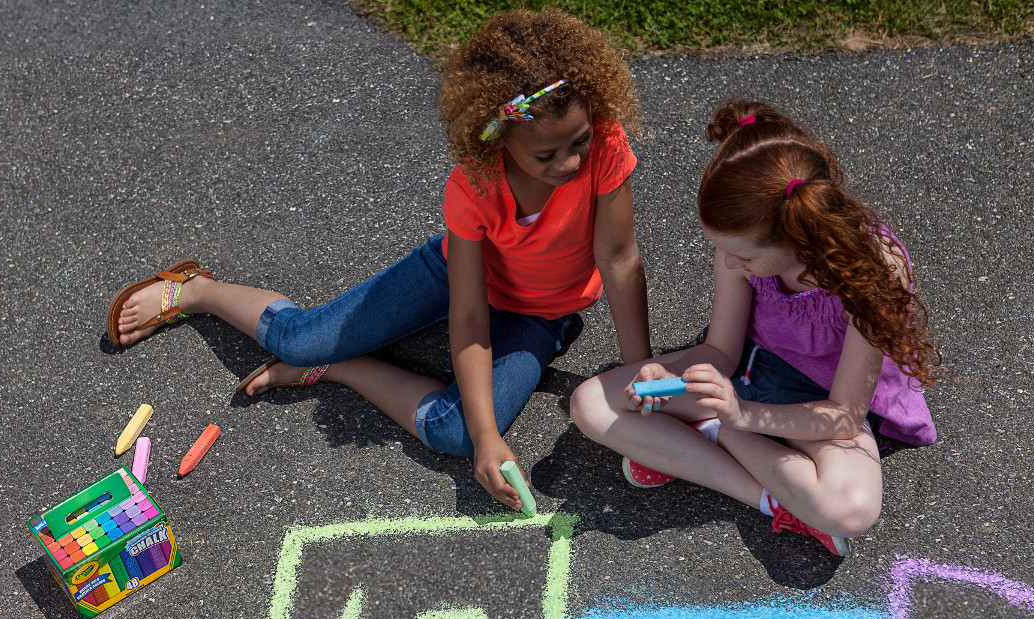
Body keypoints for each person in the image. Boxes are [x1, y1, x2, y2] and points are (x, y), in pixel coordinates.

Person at [105, 10, 652, 512]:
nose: (571, 162)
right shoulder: (476, 185)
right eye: (547, 154)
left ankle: (345, 366)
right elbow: (468, 316)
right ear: (498, 138)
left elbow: (619, 258)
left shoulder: (604, 144)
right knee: (296, 339)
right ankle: (199, 289)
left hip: (542, 313)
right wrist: (493, 436)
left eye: (578, 142)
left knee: (457, 434)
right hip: (456, 279)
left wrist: (637, 374)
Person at [569, 99, 945, 557]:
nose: (730, 263)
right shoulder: (741, 244)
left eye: (744, 257)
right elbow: (722, 351)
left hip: (830, 403)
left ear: (795, 235)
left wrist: (737, 418)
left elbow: (844, 415)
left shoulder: (872, 270)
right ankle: (772, 501)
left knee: (851, 509)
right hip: (754, 371)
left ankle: (707, 436)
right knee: (590, 403)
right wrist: (668, 375)